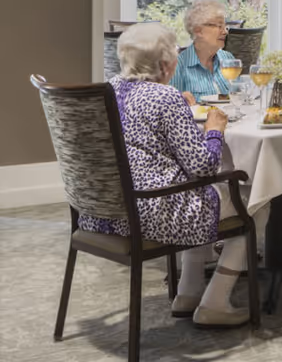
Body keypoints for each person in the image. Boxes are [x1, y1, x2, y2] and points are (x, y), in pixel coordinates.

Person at [78, 23, 258, 327]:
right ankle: (215, 301)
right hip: (153, 213)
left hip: (104, 212)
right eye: (176, 53)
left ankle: (188, 292)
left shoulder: (108, 90)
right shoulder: (165, 97)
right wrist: (214, 132)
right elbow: (203, 167)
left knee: (201, 194)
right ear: (165, 64)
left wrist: (184, 114)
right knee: (254, 199)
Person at [171, 0, 237, 103]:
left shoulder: (227, 58)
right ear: (198, 31)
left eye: (225, 26)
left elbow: (239, 95)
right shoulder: (178, 66)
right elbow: (172, 109)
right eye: (219, 26)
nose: (225, 32)